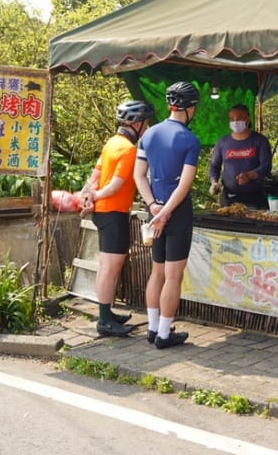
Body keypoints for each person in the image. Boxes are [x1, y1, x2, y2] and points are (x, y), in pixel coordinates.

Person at [133, 81, 201, 349]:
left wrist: (153, 207)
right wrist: (167, 213)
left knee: (156, 272)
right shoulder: (189, 140)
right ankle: (163, 334)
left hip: (155, 208)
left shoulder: (147, 135)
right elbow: (184, 185)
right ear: (190, 108)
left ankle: (151, 328)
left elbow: (139, 175)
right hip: (177, 212)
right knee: (174, 276)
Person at [79, 99, 155, 337]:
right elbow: (115, 185)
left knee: (107, 266)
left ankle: (107, 312)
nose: (147, 127)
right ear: (137, 123)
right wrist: (97, 195)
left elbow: (96, 173)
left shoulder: (112, 142)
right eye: (146, 122)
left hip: (103, 212)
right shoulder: (129, 149)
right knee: (111, 268)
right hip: (113, 212)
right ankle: (104, 320)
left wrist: (88, 194)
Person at [208, 104, 273, 210]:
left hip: (255, 197)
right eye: (232, 119)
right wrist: (214, 182)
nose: (235, 122)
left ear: (248, 119)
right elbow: (214, 165)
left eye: (239, 118)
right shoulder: (223, 142)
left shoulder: (260, 141)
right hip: (229, 198)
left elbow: (266, 166)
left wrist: (249, 175)